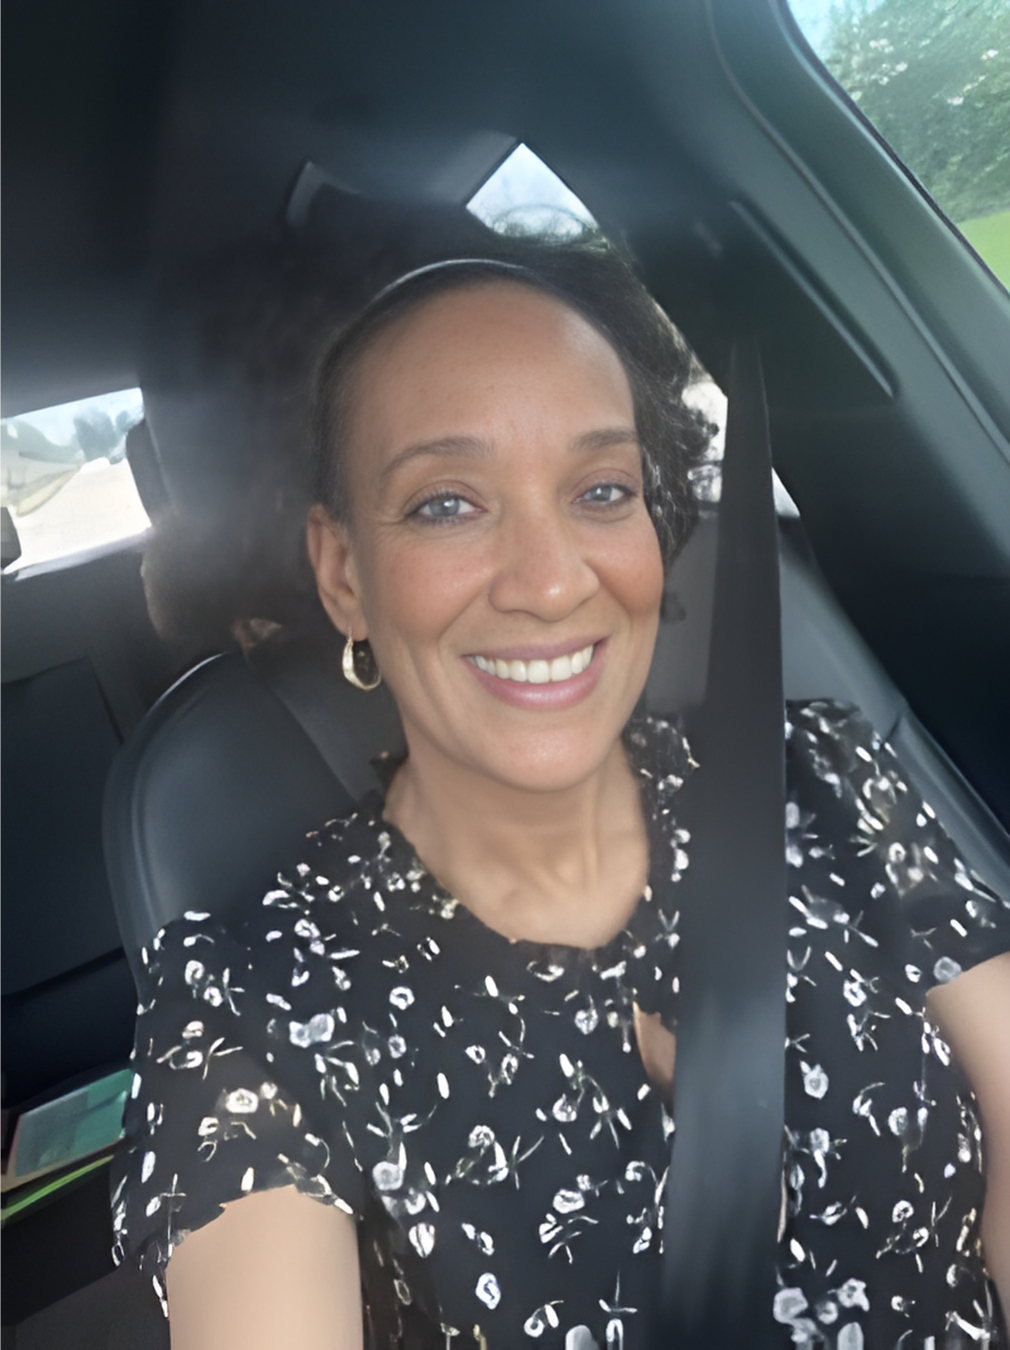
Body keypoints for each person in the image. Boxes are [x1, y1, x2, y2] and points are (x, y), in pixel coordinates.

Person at [111, 236, 1010, 1349]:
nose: (548, 581)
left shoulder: (817, 779)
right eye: (446, 503)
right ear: (342, 573)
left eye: (598, 490)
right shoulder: (251, 1004)